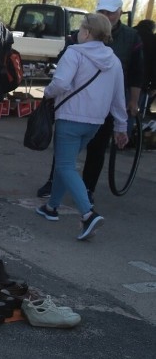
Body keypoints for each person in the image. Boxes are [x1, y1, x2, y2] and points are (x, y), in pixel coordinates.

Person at [35, 0, 144, 203]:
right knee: (65, 156)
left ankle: (87, 201)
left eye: (110, 12)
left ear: (120, 12)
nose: (106, 15)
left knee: (89, 153)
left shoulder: (130, 38)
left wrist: (132, 102)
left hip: (92, 108)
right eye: (102, 12)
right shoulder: (85, 42)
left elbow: (137, 72)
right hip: (89, 108)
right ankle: (53, 199)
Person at [35, 13, 128, 240]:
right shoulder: (114, 61)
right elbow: (118, 97)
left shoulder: (74, 53)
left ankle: (88, 214)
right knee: (65, 163)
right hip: (95, 122)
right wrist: (121, 126)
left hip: (70, 117)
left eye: (80, 28)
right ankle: (52, 206)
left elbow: (61, 83)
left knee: (66, 165)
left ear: (86, 32)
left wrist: (47, 94)